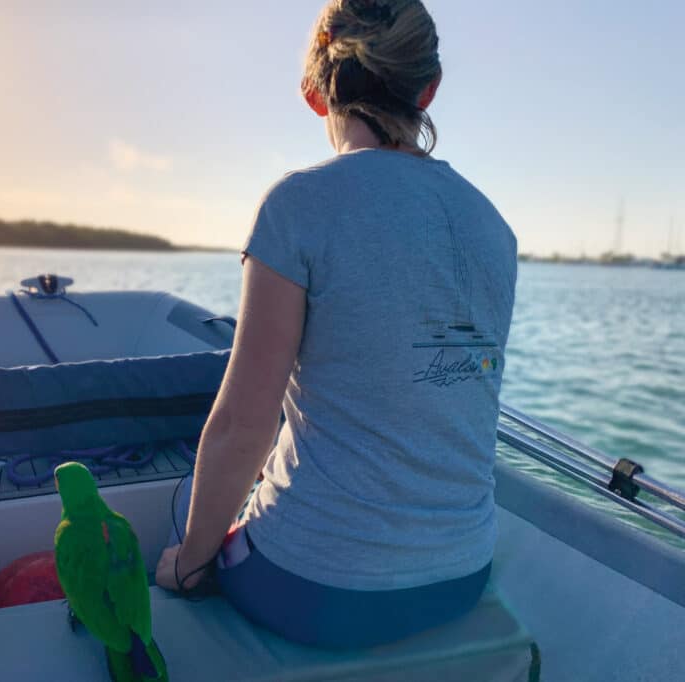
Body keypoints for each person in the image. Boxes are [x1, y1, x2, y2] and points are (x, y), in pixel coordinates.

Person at [155, 0, 518, 650]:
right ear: (429, 89)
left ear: (316, 95)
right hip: (462, 575)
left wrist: (189, 563)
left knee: (190, 521)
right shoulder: (495, 228)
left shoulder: (299, 205)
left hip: (315, 590)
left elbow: (244, 424)